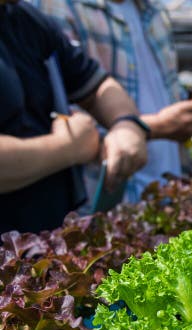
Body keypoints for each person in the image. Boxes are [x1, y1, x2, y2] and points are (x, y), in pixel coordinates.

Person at [34, 0, 192, 203]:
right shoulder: (59, 8)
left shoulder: (153, 12)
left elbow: (170, 97)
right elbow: (66, 125)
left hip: (169, 185)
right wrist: (155, 126)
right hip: (114, 198)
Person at [0, 0, 148, 233]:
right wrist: (68, 148)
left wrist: (126, 125)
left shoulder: (27, 20)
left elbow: (98, 86)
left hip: (46, 246)